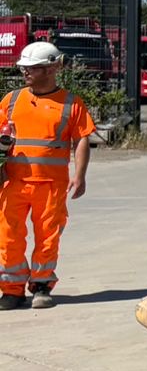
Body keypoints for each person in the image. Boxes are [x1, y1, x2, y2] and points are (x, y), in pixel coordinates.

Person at [0, 41, 95, 311]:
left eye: (32, 68)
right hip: (13, 181)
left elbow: (81, 139)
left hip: (51, 184)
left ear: (52, 69)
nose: (25, 72)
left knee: (48, 237)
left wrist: (80, 175)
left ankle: (41, 286)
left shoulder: (71, 103)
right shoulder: (11, 100)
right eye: (24, 67)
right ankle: (11, 290)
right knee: (8, 236)